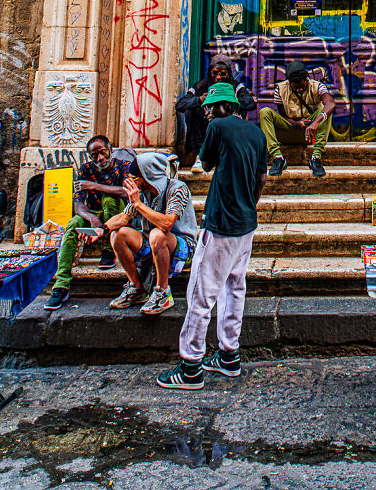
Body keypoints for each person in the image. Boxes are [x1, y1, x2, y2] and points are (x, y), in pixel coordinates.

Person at [157, 82, 267, 390]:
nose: (205, 111)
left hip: (220, 223)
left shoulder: (217, 126)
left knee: (201, 293)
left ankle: (191, 366)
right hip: (246, 224)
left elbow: (204, 164)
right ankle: (228, 355)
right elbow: (261, 178)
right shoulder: (257, 133)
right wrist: (248, 204)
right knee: (234, 288)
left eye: (210, 107)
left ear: (224, 107)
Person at [44, 135, 138, 311]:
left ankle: (108, 251)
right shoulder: (86, 169)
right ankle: (61, 285)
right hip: (93, 214)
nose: (99, 158)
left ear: (110, 149)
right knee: (73, 224)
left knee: (110, 200)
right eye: (94, 155)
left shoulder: (123, 166)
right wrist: (92, 218)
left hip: (118, 216)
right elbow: (78, 203)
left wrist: (93, 186)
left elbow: (127, 193)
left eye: (102, 153)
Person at [105, 151, 198, 315]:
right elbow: (124, 217)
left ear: (148, 175)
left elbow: (167, 224)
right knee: (117, 235)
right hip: (153, 243)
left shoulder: (178, 188)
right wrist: (101, 230)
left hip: (183, 248)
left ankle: (163, 292)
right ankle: (137, 288)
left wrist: (138, 204)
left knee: (157, 234)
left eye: (135, 179)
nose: (133, 183)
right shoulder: (141, 193)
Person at [176, 53, 256, 172]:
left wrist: (229, 99)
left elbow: (250, 103)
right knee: (191, 110)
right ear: (210, 72)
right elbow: (180, 104)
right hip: (205, 128)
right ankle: (200, 156)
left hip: (228, 127)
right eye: (215, 73)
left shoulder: (235, 86)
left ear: (228, 73)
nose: (218, 77)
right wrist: (199, 100)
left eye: (222, 74)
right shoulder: (201, 86)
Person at [259, 60, 335, 178]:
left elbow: (331, 103)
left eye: (301, 86)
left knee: (325, 111)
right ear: (289, 82)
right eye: (296, 87)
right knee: (265, 112)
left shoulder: (317, 86)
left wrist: (315, 122)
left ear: (306, 79)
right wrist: (296, 123)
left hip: (311, 134)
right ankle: (278, 158)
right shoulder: (280, 89)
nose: (299, 90)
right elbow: (283, 116)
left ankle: (316, 157)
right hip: (290, 131)